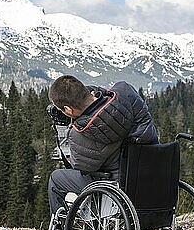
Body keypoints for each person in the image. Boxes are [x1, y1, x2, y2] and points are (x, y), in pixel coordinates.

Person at [47, 75, 159, 217]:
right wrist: (92, 99)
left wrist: (74, 121)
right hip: (153, 173)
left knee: (56, 179)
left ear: (68, 110)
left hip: (119, 186)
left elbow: (81, 168)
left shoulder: (81, 132)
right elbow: (108, 99)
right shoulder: (125, 91)